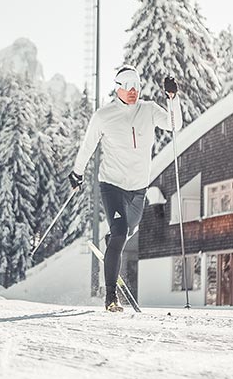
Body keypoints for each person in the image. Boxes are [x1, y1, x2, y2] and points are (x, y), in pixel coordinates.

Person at [71, 66, 182, 312]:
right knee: (121, 233)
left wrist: (173, 98)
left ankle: (112, 240)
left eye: (136, 86)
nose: (133, 91)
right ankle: (111, 296)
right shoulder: (104, 116)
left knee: (127, 231)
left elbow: (174, 125)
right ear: (118, 88)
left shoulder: (149, 110)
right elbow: (88, 146)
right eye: (128, 86)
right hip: (112, 185)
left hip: (138, 188)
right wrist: (77, 172)